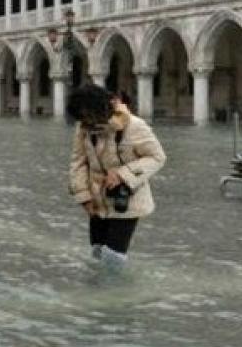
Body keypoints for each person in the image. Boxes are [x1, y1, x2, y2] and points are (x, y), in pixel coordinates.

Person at [67, 84, 167, 270]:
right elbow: (78, 162)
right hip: (97, 200)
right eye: (82, 117)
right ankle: (96, 291)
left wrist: (122, 175)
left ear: (101, 107)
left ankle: (115, 295)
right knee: (97, 251)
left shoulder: (135, 126)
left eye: (88, 115)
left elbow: (157, 157)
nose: (86, 121)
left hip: (127, 200)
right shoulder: (83, 127)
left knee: (113, 257)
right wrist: (83, 196)